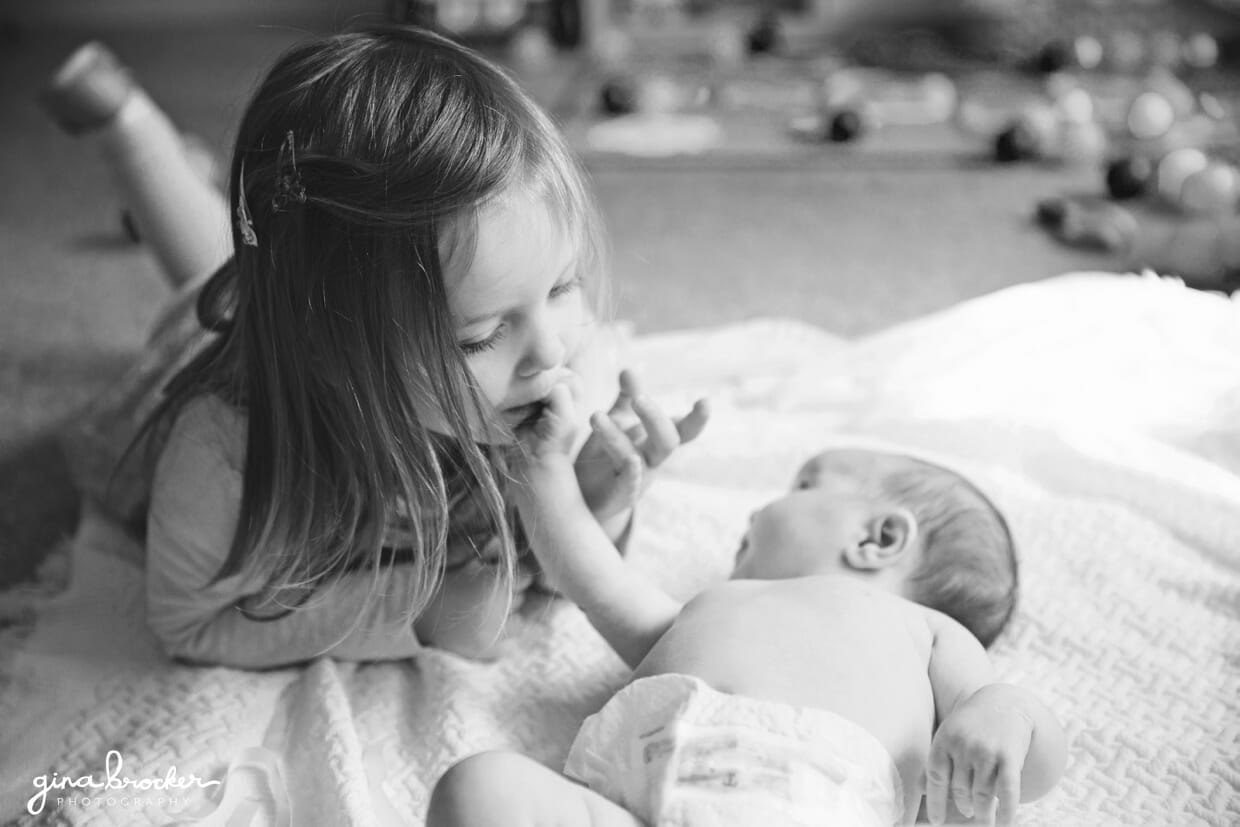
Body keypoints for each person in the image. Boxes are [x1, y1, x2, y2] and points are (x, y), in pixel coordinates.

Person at [42, 26, 709, 668]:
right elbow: (187, 622)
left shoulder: (557, 361)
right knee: (209, 277)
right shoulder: (223, 451)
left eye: (564, 286)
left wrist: (595, 502)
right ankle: (127, 126)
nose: (550, 349)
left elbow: (564, 567)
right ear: (332, 348)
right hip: (213, 344)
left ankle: (181, 164)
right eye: (480, 335)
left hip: (299, 298)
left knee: (247, 258)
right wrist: (412, 609)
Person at [428, 386, 1068, 826]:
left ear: (880, 538)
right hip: (621, 808)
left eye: (804, 485)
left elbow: (1026, 758)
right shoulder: (706, 611)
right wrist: (539, 465)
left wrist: (1003, 720)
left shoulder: (922, 634)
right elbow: (595, 579)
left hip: (798, 804)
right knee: (481, 788)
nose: (759, 507)